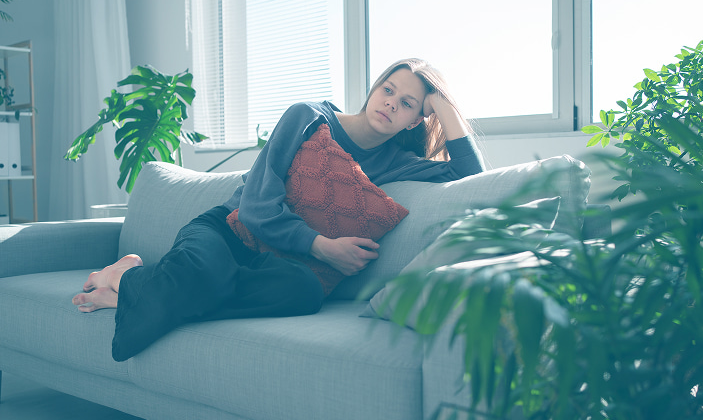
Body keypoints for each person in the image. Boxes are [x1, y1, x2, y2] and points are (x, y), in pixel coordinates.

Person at [72, 58, 486, 362]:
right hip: (226, 231)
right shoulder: (308, 116)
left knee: (304, 293)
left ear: (417, 119)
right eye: (389, 89)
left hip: (277, 262)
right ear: (375, 88)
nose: (392, 103)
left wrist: (443, 103)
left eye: (410, 103)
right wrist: (322, 246)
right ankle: (127, 276)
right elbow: (256, 205)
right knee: (202, 272)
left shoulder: (395, 162)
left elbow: (472, 175)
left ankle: (137, 281)